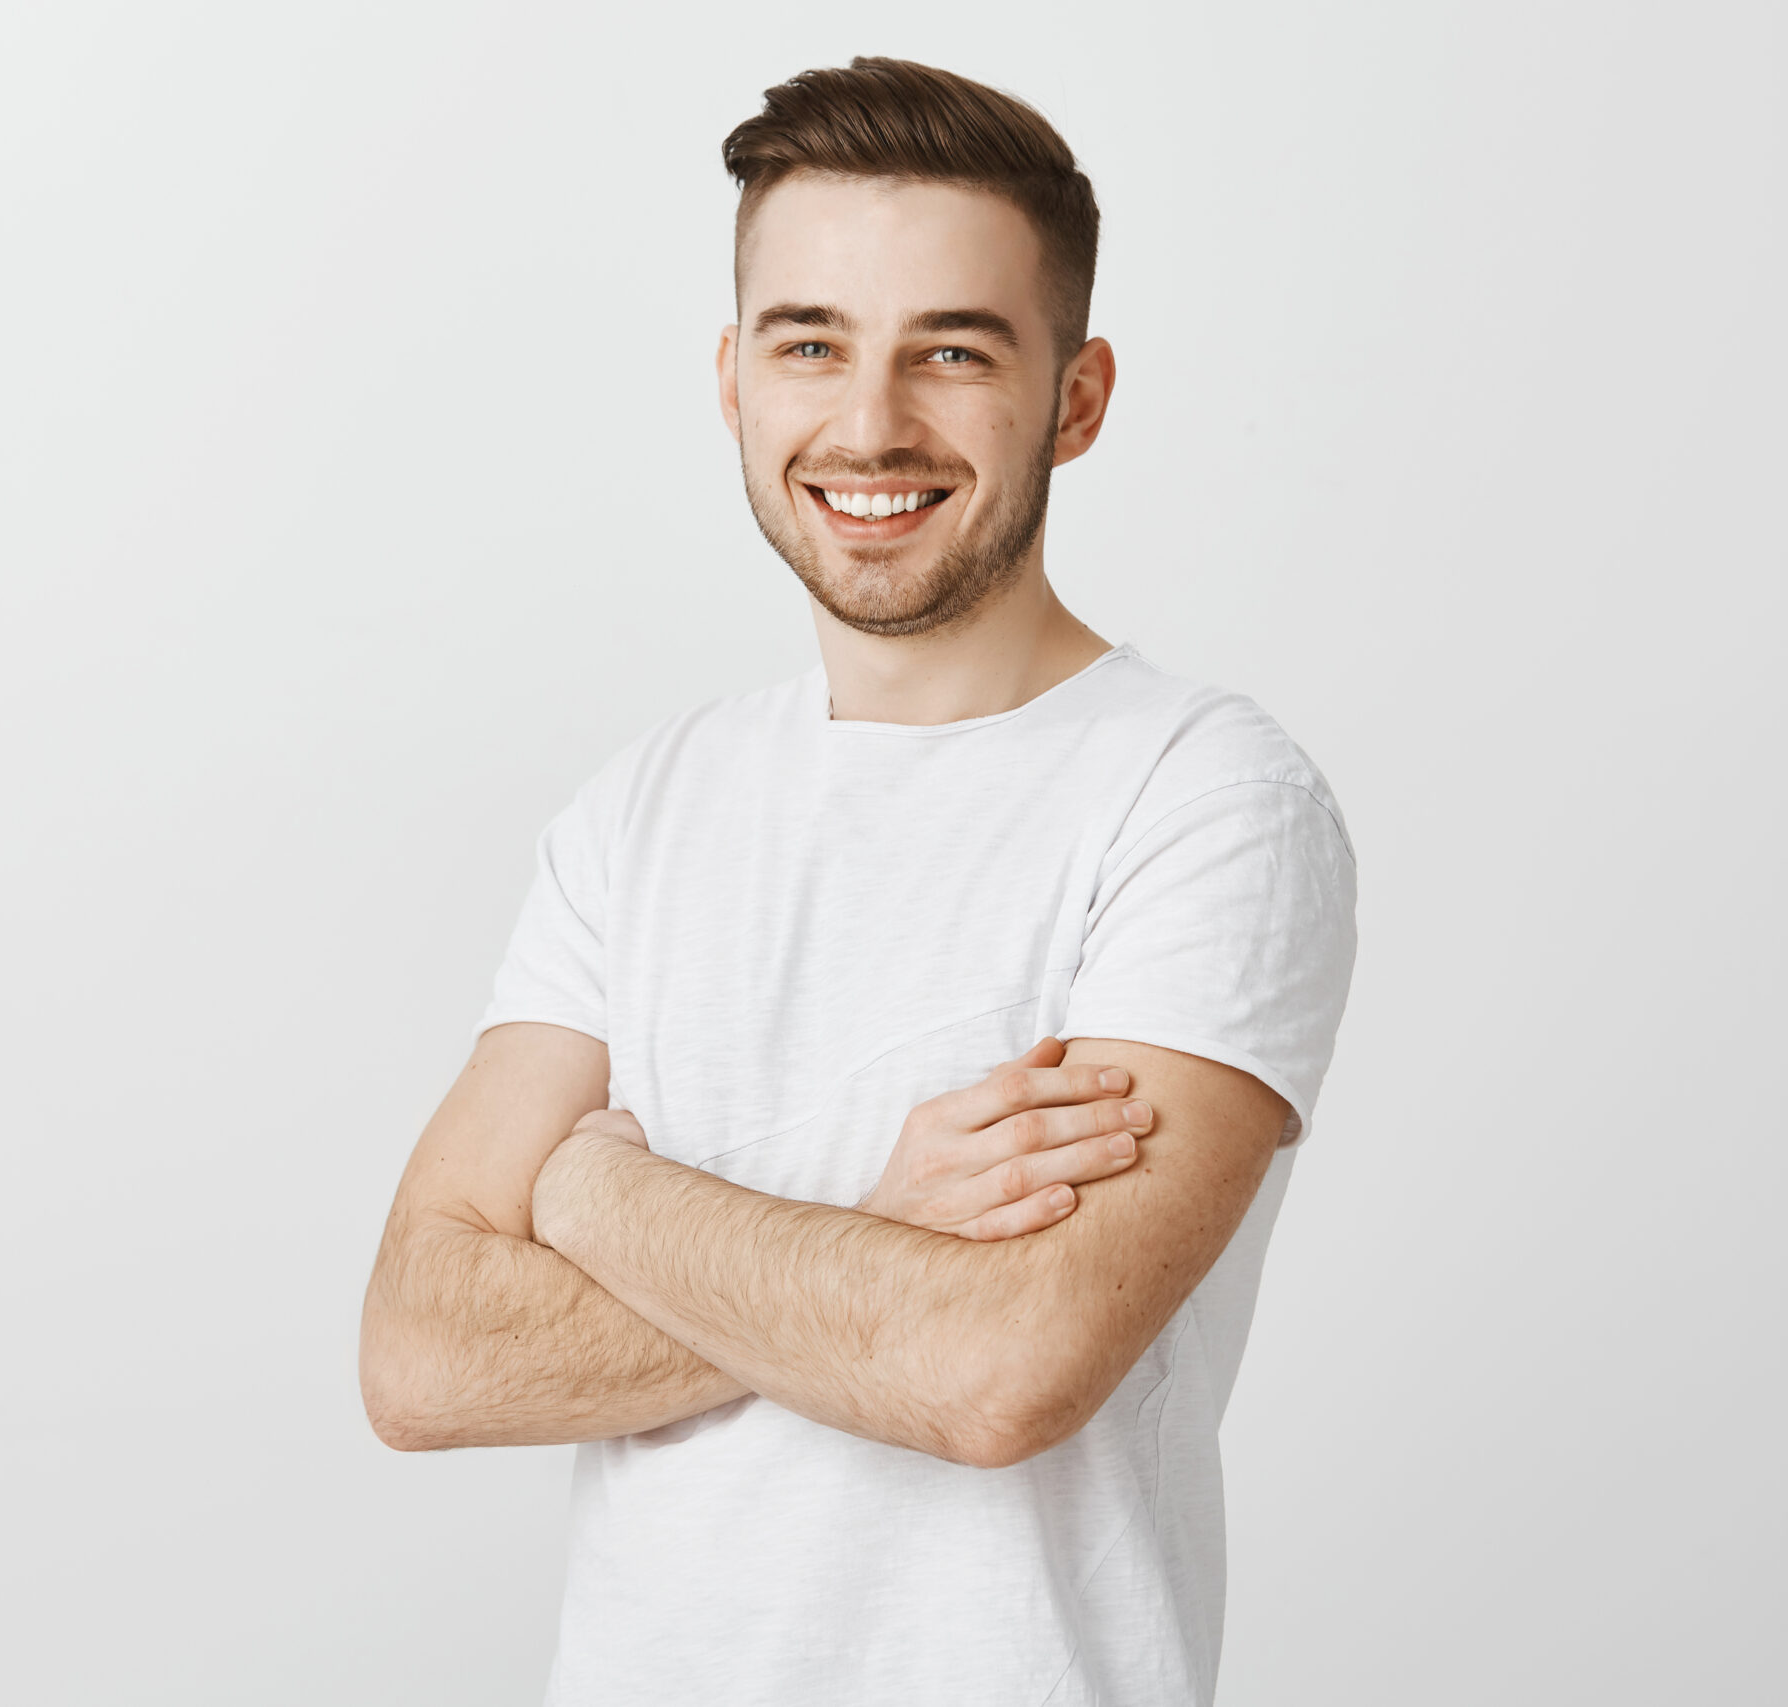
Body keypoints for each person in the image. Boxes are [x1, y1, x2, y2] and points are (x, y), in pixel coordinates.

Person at [359, 56, 1358, 1707]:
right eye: (809, 341)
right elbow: (420, 1355)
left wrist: (596, 1196)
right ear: (735, 382)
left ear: (1078, 397)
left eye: (952, 353)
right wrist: (873, 1231)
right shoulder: (642, 812)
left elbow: (997, 1372)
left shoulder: (1206, 800)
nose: (870, 423)